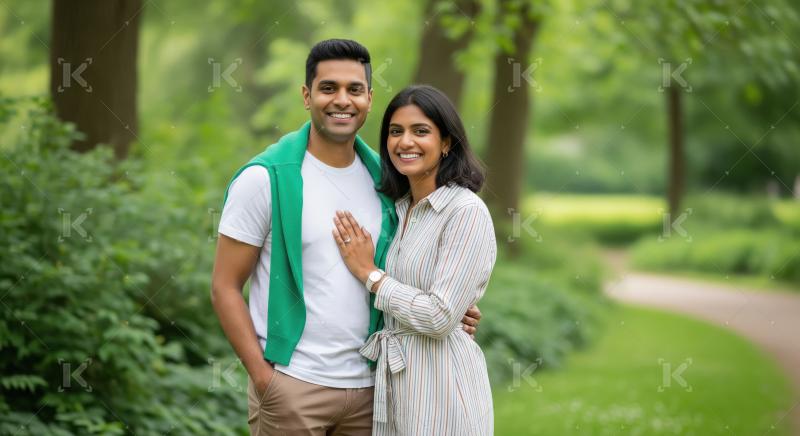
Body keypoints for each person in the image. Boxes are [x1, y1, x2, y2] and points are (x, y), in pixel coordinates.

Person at [210, 39, 483, 435]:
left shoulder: (390, 183)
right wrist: (265, 379)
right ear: (307, 96)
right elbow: (224, 286)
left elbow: (409, 269)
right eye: (328, 88)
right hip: (294, 384)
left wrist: (452, 310)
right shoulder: (264, 179)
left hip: (376, 389)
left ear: (369, 99)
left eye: (354, 89)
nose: (342, 100)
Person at [331, 85, 496, 435]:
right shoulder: (401, 210)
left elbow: (439, 316)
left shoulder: (465, 211)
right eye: (395, 131)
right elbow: (440, 304)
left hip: (442, 387)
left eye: (420, 131)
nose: (405, 142)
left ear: (446, 142)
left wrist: (370, 274)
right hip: (395, 385)